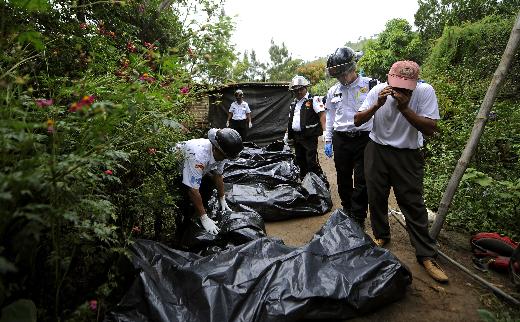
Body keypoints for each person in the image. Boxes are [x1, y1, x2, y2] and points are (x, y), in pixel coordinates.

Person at [354, 60, 448, 283]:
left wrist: (404, 108)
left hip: (407, 153)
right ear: (389, 78)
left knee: (412, 202)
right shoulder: (378, 90)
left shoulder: (424, 92)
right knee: (376, 196)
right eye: (397, 84)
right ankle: (381, 235)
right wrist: (377, 105)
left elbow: (431, 129)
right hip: (377, 149)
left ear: (415, 83)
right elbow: (358, 121)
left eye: (407, 86)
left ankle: (426, 254)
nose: (400, 89)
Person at [323, 47, 376, 228]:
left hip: (364, 137)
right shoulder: (333, 91)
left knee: (362, 178)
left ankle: (359, 216)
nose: (341, 78)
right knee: (343, 176)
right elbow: (329, 115)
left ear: (353, 68)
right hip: (341, 138)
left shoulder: (371, 85)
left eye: (343, 73)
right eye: (337, 75)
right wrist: (328, 139)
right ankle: (347, 210)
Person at [176, 128, 243, 235]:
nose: (225, 159)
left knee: (208, 184)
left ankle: (201, 210)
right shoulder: (198, 155)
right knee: (185, 198)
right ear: (216, 149)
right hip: (176, 169)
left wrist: (222, 198)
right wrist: (204, 218)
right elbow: (193, 190)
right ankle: (185, 226)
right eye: (224, 156)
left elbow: (218, 175)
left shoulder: (223, 152)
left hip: (197, 169)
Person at [285, 75, 326, 179]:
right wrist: (287, 134)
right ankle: (304, 183)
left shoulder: (313, 100)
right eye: (296, 90)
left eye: (301, 89)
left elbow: (322, 115)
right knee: (299, 161)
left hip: (309, 137)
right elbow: (291, 120)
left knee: (311, 162)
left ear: (306, 88)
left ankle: (315, 184)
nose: (298, 92)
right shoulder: (294, 103)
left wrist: (325, 131)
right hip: (296, 137)